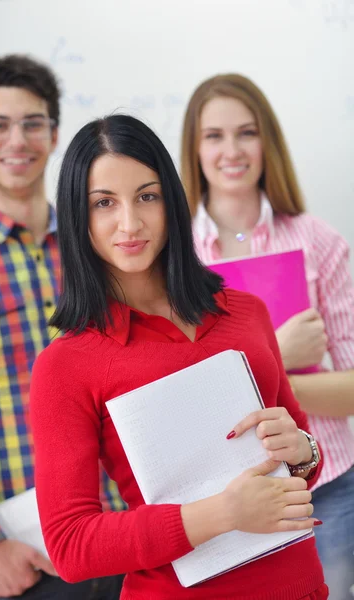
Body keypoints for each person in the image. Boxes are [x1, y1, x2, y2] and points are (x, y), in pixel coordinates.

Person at [29, 114, 328, 599]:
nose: (130, 223)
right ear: (77, 217)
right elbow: (70, 546)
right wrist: (222, 514)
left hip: (300, 586)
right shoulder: (64, 366)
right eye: (104, 203)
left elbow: (303, 460)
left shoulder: (247, 313)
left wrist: (302, 450)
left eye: (147, 196)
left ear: (171, 200)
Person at [0, 54, 124, 600]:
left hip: (128, 531)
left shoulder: (102, 247)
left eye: (32, 123)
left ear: (53, 136)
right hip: (25, 557)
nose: (16, 140)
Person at [180, 72, 354, 599]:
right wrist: (279, 353)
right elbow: (185, 402)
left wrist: (261, 385)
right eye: (214, 135)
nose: (231, 150)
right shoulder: (174, 258)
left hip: (327, 488)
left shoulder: (319, 242)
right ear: (194, 149)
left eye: (246, 132)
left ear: (267, 141)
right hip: (224, 501)